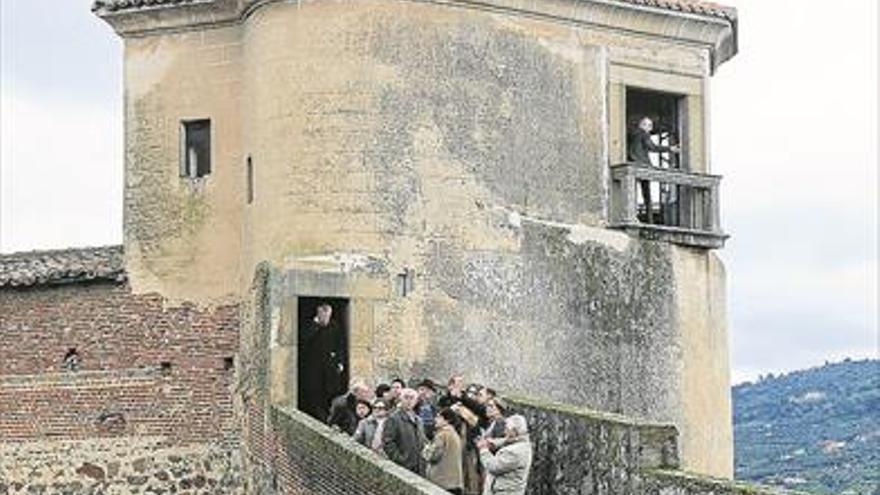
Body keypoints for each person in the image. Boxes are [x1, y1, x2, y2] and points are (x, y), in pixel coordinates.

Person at [627, 117, 680, 223]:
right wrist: (670, 148)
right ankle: (649, 219)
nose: (649, 128)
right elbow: (652, 147)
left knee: (633, 191)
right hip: (643, 165)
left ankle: (633, 215)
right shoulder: (643, 134)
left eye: (650, 125)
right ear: (641, 125)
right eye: (647, 125)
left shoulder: (632, 136)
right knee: (646, 193)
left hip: (633, 163)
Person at [298, 303, 345, 421]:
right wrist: (316, 325)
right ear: (319, 313)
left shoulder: (335, 326)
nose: (326, 318)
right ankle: (321, 419)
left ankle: (329, 418)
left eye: (328, 315)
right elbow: (303, 339)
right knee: (314, 396)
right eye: (324, 315)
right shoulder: (309, 325)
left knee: (330, 394)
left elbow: (340, 345)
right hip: (312, 369)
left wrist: (340, 362)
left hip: (330, 369)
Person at [476, 415, 533, 495]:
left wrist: (483, 449)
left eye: (507, 429)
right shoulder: (522, 442)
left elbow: (493, 466)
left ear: (514, 431)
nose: (504, 431)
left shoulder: (514, 453)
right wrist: (491, 443)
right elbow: (506, 440)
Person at [382, 388, 428, 474]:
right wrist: (400, 459)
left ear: (416, 401)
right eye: (406, 397)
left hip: (419, 467)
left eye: (412, 398)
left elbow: (423, 440)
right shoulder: (393, 418)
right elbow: (387, 442)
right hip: (403, 467)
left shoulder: (418, 420)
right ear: (401, 399)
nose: (409, 401)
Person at [423, 408, 464, 494]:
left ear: (447, 420)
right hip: (455, 482)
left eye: (439, 417)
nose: (435, 419)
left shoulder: (442, 435)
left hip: (442, 482)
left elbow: (433, 456)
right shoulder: (455, 434)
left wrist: (426, 449)